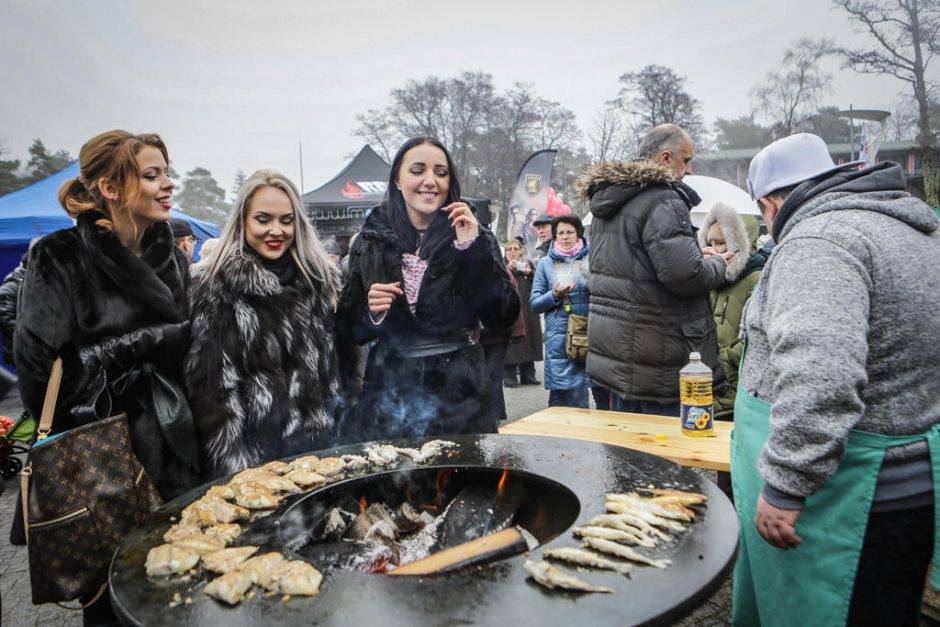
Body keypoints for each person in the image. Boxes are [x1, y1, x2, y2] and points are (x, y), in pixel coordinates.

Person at [732, 133, 940, 626]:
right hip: (908, 485)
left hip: (847, 502)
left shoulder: (819, 242)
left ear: (768, 202)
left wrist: (785, 485)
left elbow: (821, 376)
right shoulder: (906, 229)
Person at [14, 130, 201, 624]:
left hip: (175, 446)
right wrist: (149, 343)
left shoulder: (170, 254)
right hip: (102, 458)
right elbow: (42, 377)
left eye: (167, 172)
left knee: (177, 595)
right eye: (152, 174)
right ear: (111, 188)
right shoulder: (59, 257)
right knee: (115, 606)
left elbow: (185, 344)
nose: (168, 185)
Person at [337, 137, 519, 440]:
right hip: (390, 395)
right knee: (394, 483)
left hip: (460, 394)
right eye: (418, 170)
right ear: (397, 179)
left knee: (463, 480)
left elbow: (503, 316)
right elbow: (347, 329)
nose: (430, 181)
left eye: (441, 172)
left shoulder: (475, 235)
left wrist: (473, 249)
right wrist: (370, 312)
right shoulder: (371, 242)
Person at [186, 169, 349, 479]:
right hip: (258, 469)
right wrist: (240, 479)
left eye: (286, 220)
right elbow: (214, 397)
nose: (277, 230)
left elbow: (335, 373)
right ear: (243, 221)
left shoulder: (318, 281)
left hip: (320, 459)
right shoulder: (214, 286)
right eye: (263, 219)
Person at [579, 123, 732, 417]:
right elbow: (685, 276)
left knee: (631, 457)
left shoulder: (607, 201)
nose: (688, 170)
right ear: (664, 158)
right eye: (685, 160)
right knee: (669, 458)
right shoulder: (664, 198)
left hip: (619, 357)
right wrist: (716, 263)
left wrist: (695, 253)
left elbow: (636, 266)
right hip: (660, 361)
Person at [696, 202, 767, 420]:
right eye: (710, 242)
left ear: (739, 244)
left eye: (722, 243)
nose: (715, 249)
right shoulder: (708, 281)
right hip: (706, 393)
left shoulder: (757, 280)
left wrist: (722, 362)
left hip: (738, 397)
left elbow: (757, 336)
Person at [530, 215, 597, 408]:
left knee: (580, 399)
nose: (565, 237)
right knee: (559, 400)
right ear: (554, 236)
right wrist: (554, 294)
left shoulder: (591, 259)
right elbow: (535, 304)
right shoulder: (545, 264)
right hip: (558, 341)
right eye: (561, 233)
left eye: (570, 232)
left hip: (585, 337)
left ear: (578, 235)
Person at [502, 237, 542, 387]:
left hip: (528, 308)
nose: (512, 252)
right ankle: (509, 375)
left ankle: (528, 374)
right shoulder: (501, 264)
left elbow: (539, 282)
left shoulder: (528, 264)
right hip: (509, 310)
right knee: (511, 343)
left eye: (516, 248)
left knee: (530, 339)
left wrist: (530, 273)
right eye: (509, 249)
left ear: (521, 251)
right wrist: (508, 270)